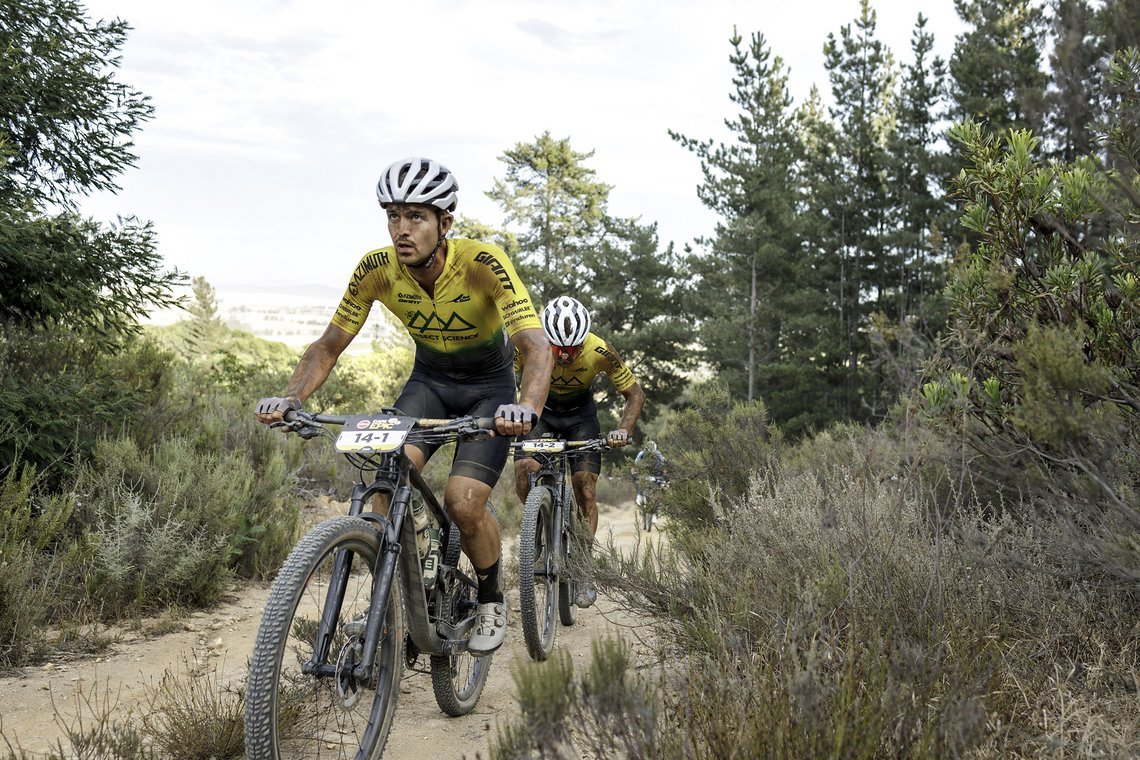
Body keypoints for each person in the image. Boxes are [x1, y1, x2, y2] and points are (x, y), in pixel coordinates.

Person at [255, 157, 552, 656]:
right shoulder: (376, 269)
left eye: (416, 216)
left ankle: (489, 596)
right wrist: (293, 399)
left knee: (462, 501)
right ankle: (399, 598)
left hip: (489, 389)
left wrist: (525, 408)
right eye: (393, 216)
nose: (402, 229)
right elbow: (329, 345)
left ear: (445, 223)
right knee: (385, 485)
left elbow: (535, 346)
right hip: (429, 383)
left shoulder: (482, 264)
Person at [513, 295, 645, 607]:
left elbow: (635, 395)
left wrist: (623, 429)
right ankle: (539, 525)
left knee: (585, 486)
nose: (565, 355)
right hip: (539, 409)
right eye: (558, 348)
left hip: (580, 417)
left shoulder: (600, 350)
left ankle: (583, 566)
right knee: (525, 470)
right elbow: (503, 381)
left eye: (573, 349)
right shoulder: (527, 343)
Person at [631, 439, 667, 525]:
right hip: (645, 474)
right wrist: (634, 471)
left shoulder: (659, 454)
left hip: (656, 476)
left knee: (660, 492)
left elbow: (665, 464)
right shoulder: (641, 454)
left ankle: (655, 512)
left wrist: (665, 473)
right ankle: (639, 496)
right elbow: (636, 463)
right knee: (640, 482)